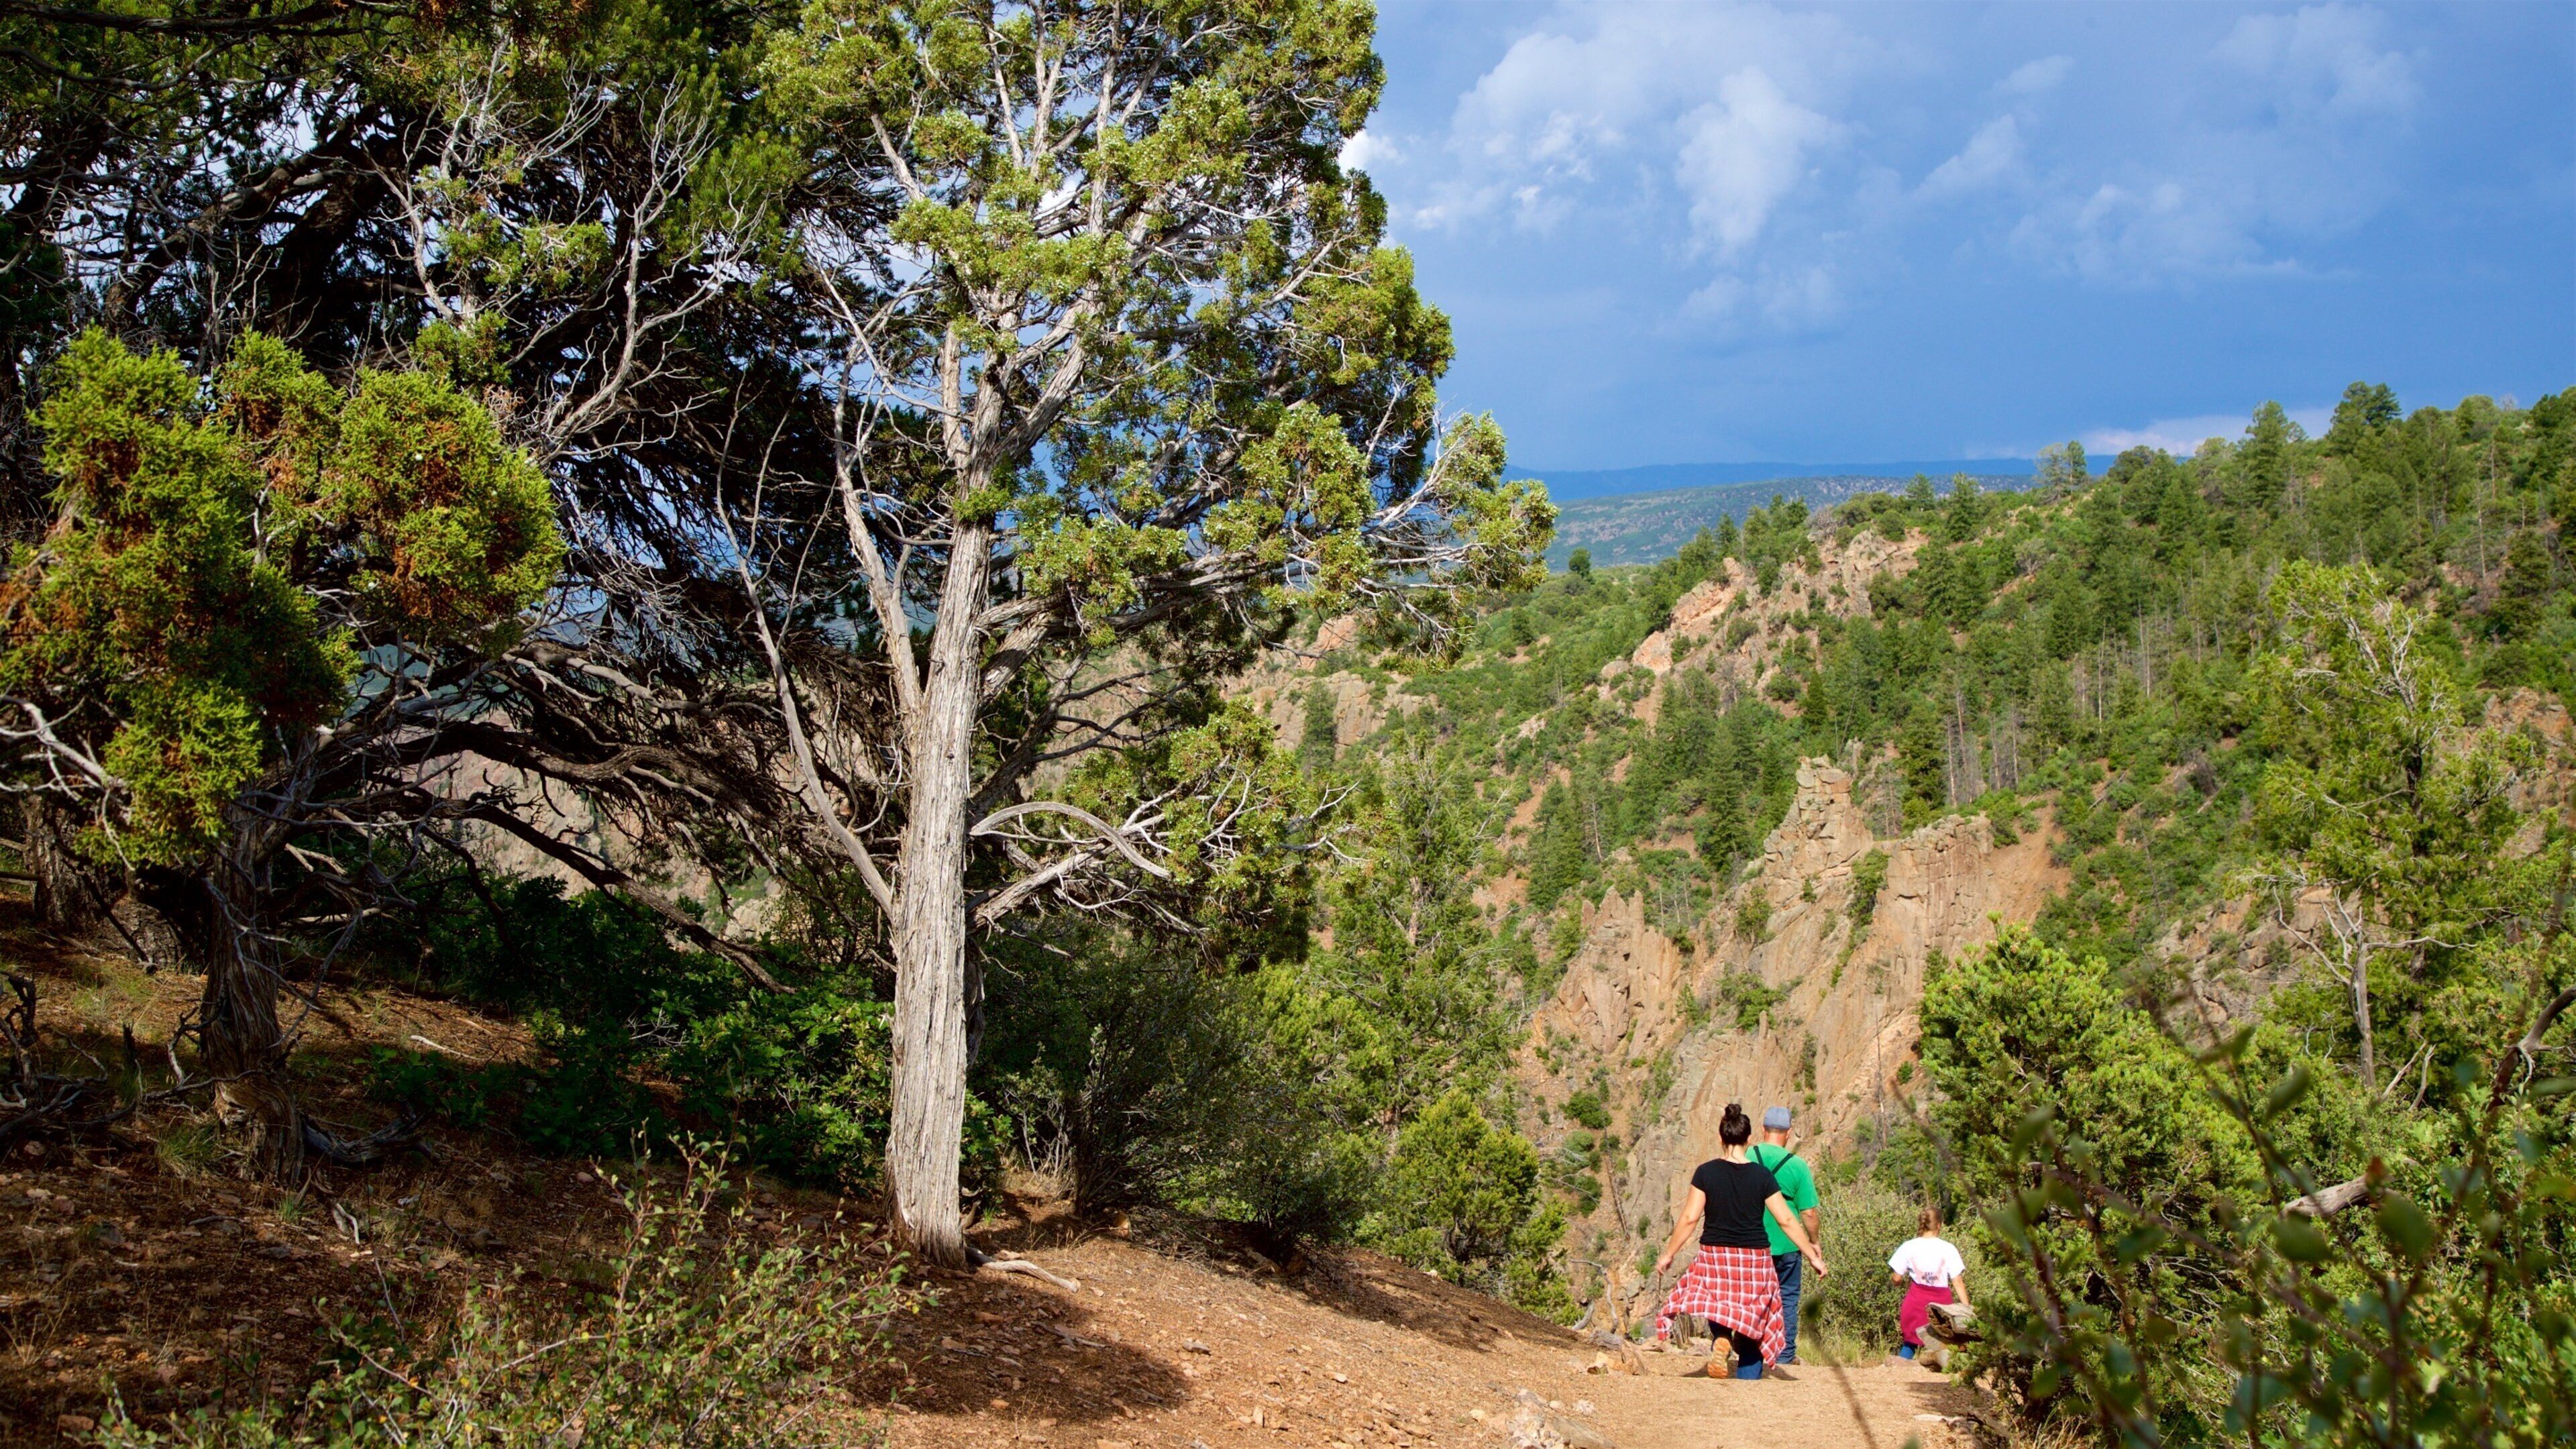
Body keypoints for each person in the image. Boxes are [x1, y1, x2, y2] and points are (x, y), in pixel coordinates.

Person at [1651, 1103, 1831, 1379]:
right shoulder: (1762, 1176)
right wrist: (1813, 1255)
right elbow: (1786, 1220)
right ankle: (1747, 1380)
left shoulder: (1705, 1173)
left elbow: (1689, 1218)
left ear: (1720, 1138)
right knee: (1752, 1325)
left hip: (1715, 1256)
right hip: (1753, 1260)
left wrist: (1669, 1253)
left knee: (1719, 1306)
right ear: (1749, 1139)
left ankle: (1722, 1336)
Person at [1749, 1106, 1821, 1365]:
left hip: (1752, 1242)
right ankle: (1785, 1354)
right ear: (1788, 1133)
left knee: (1753, 1297)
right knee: (1787, 1299)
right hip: (1787, 1244)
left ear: (1762, 1129)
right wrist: (1814, 1243)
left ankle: (1751, 1353)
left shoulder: (1747, 1155)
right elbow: (1809, 1213)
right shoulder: (1798, 1166)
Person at [1888, 1205, 1970, 1361]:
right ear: (1939, 1225)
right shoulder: (1948, 1248)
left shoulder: (1908, 1246)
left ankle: (1900, 1374)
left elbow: (1897, 1278)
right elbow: (1957, 1281)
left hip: (1916, 1301)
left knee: (1910, 1343)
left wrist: (1898, 1283)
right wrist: (1967, 1309)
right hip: (1941, 1305)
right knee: (1946, 1346)